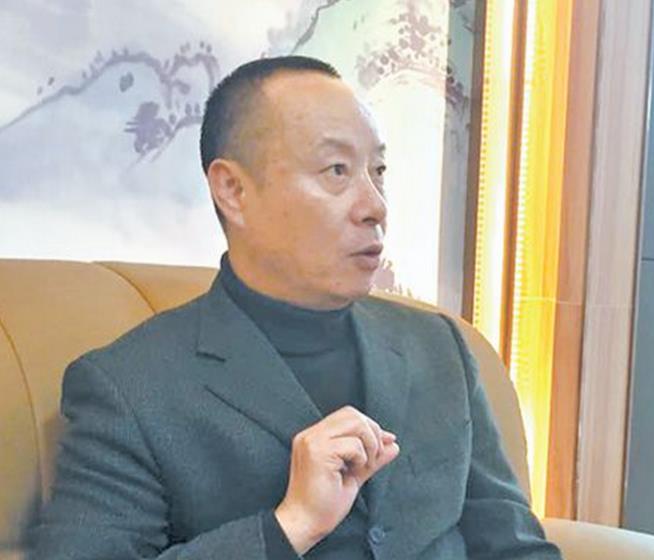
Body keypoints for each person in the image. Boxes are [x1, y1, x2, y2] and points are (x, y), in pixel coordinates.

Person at [28, 55, 562, 559]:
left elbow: (516, 547)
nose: (374, 206)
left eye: (378, 171)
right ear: (233, 190)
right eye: (336, 170)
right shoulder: (130, 387)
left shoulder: (438, 347)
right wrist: (291, 524)